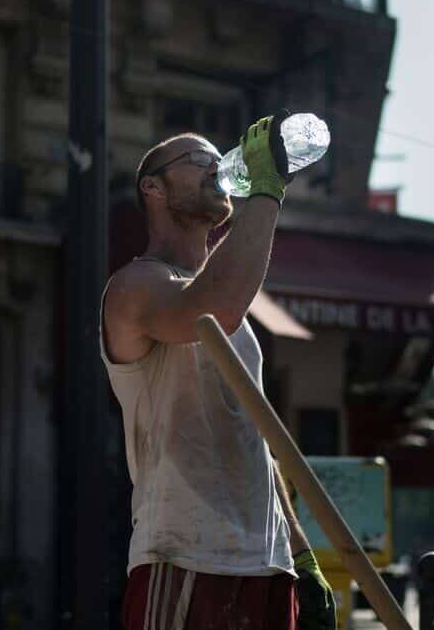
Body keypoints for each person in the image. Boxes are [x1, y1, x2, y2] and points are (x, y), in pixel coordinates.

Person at [101, 114, 336, 630]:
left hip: (266, 563)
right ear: (153, 188)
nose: (216, 167)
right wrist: (267, 192)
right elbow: (210, 309)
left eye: (218, 159)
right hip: (186, 554)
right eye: (198, 161)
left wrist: (300, 553)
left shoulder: (231, 309)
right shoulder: (135, 286)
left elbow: (255, 437)